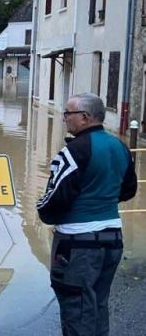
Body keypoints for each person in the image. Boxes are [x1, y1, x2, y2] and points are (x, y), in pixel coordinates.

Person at [37, 93, 137, 335]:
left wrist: (43, 211)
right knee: (98, 305)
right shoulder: (120, 147)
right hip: (112, 239)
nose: (64, 119)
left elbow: (54, 199)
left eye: (68, 114)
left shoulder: (73, 151)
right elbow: (129, 189)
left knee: (77, 310)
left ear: (84, 117)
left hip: (77, 244)